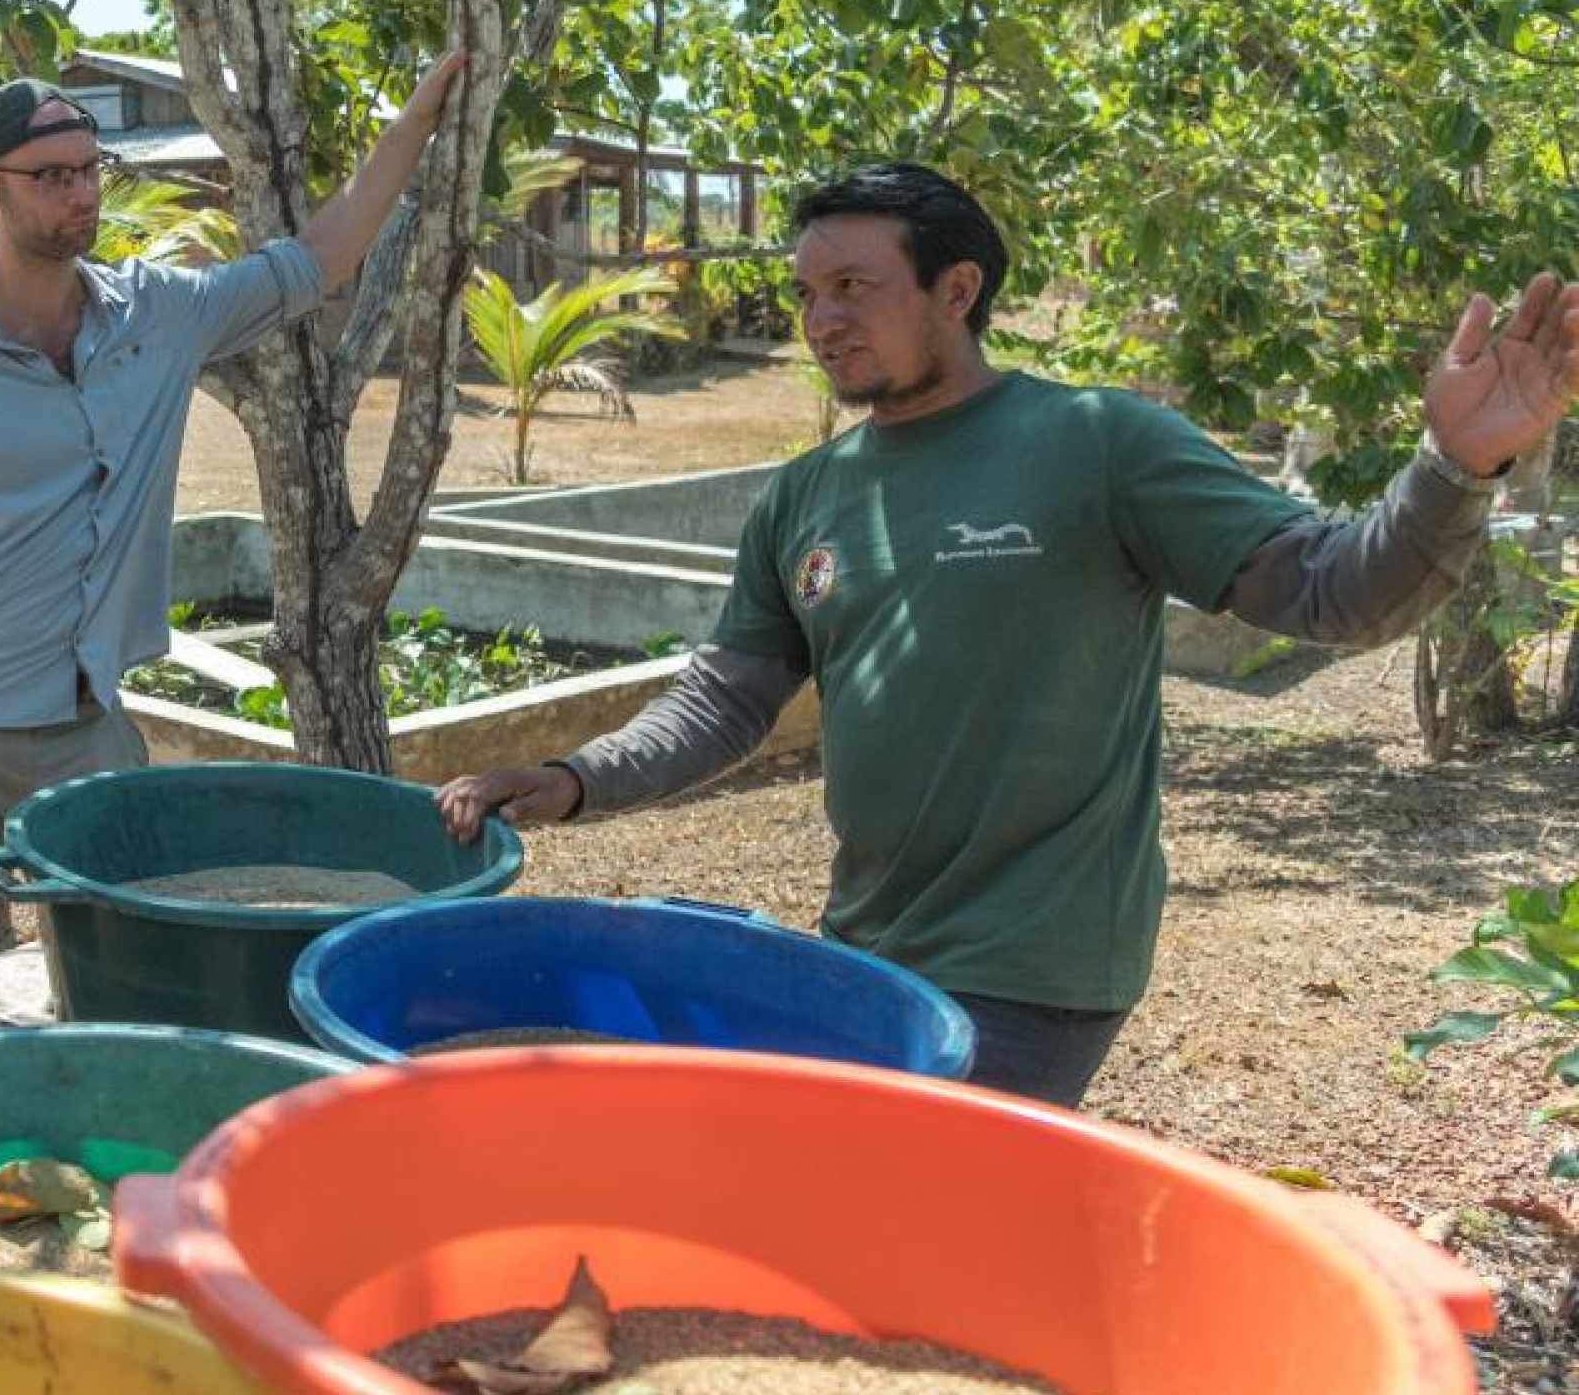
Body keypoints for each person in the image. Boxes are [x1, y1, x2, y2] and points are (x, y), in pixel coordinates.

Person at [436, 162, 1579, 1106]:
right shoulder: (803, 496)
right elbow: (726, 701)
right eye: (804, 293)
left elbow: (1332, 593)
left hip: (1036, 962)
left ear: (956, 288)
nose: (819, 320)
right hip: (863, 939)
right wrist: (574, 777)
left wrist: (1452, 467)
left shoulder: (1096, 443)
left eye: (851, 286)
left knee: (911, 1230)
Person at [0, 53, 467, 971]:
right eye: (51, 176)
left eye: (89, 169)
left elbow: (320, 260)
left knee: (113, 967)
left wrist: (417, 119)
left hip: (96, 725)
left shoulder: (159, 314)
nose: (80, 194)